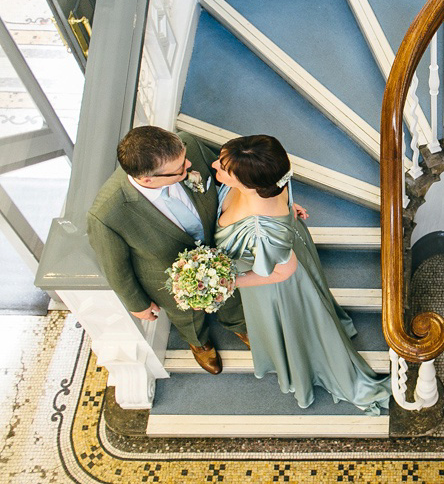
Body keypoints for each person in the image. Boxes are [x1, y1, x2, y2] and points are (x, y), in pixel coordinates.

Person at [212, 134, 391, 412]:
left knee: (298, 330)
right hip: (286, 242)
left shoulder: (264, 227)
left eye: (223, 169)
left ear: (250, 184)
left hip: (274, 288)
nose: (215, 166)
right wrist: (287, 211)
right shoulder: (272, 181)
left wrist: (232, 281)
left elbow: (284, 271)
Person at [88, 126, 248, 375]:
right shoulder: (108, 214)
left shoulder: (188, 145)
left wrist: (264, 199)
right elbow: (116, 266)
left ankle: (239, 324)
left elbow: (227, 179)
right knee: (187, 318)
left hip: (217, 250)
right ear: (148, 179)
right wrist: (137, 303)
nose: (189, 165)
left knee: (231, 296)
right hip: (167, 276)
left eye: (185, 160)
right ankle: (199, 343)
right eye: (180, 169)